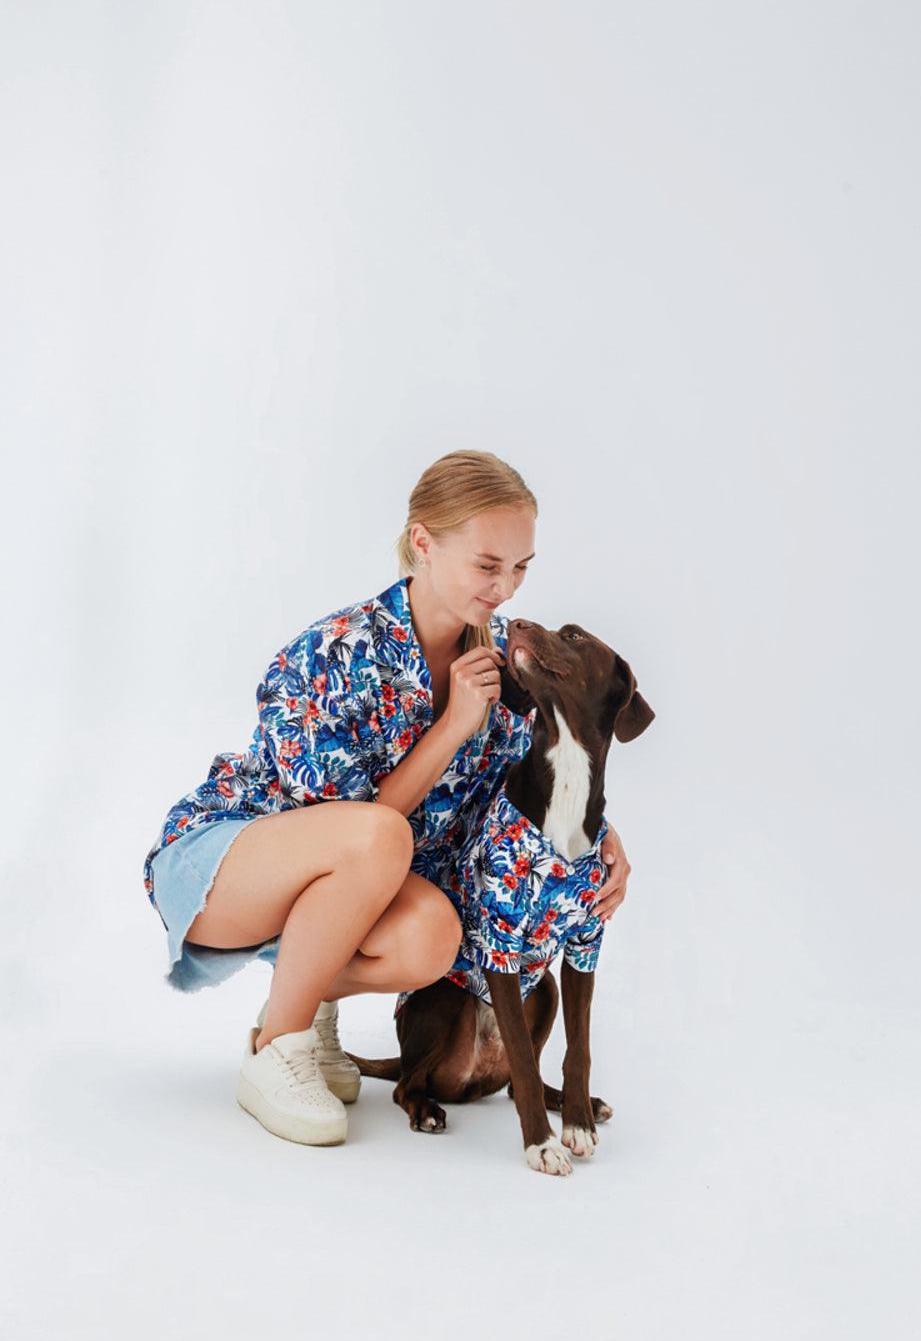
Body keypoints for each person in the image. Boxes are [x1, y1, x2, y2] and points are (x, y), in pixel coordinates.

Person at [141, 449, 632, 1145]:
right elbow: (348, 830)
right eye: (488, 565)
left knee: (437, 937)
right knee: (380, 836)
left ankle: (306, 1002)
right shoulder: (337, 652)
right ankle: (276, 1049)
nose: (505, 589)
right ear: (423, 542)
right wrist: (453, 724)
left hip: (346, 895)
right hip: (224, 866)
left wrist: (599, 843)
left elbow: (526, 794)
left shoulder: (504, 669)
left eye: (521, 568)